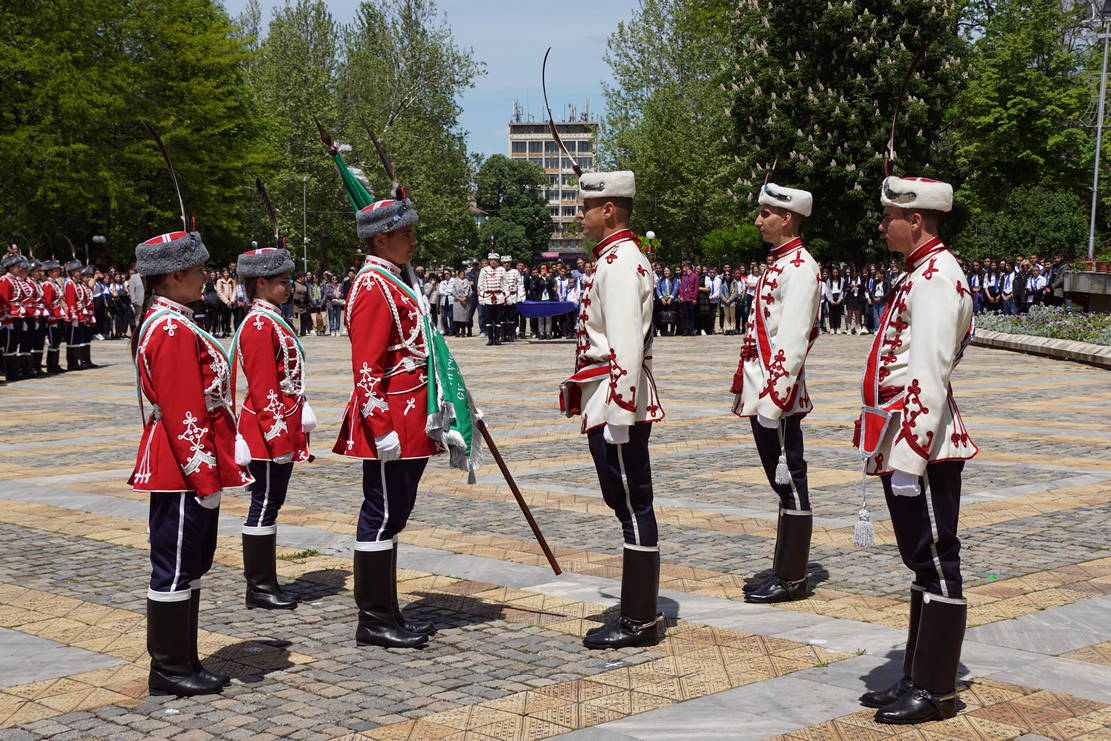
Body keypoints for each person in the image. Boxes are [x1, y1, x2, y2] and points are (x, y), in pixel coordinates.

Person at [857, 175, 977, 724]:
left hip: (920, 441)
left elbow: (929, 371)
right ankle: (917, 673)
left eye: (889, 218)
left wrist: (910, 454)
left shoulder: (934, 276)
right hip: (903, 433)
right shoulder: (919, 273)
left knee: (935, 556)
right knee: (920, 558)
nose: (883, 226)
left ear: (917, 221)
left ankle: (936, 689)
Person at [129, 228, 252, 696]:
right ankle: (169, 667)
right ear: (175, 275)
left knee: (191, 562)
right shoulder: (171, 328)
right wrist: (204, 478)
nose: (205, 277)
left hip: (194, 461)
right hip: (182, 465)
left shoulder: (176, 320)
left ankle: (185, 658)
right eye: (198, 270)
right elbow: (184, 411)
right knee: (175, 564)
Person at [560, 170, 666, 650]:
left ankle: (640, 619)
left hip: (615, 402)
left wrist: (621, 416)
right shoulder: (616, 258)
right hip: (607, 396)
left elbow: (624, 345)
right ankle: (637, 612)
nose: (578, 214)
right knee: (627, 504)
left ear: (609, 210)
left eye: (585, 206)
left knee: (632, 504)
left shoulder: (621, 263)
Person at [334, 193, 440, 650]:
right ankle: (374, 617)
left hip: (411, 415)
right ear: (381, 239)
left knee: (395, 513)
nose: (414, 242)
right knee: (380, 514)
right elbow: (367, 366)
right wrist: (381, 428)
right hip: (391, 419)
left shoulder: (394, 281)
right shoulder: (373, 286)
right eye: (405, 235)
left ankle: (386, 607)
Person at [730, 182, 820, 604]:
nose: (758, 221)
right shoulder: (780, 263)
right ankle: (784, 567)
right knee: (780, 482)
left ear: (786, 218)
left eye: (765, 214)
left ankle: (793, 576)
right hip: (763, 390)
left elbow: (795, 338)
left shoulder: (800, 267)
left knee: (791, 480)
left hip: (776, 395)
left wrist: (775, 398)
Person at [232, 247, 316, 611]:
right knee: (264, 503)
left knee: (272, 502)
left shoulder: (272, 318)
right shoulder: (259, 324)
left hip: (281, 420)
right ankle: (260, 585)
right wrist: (277, 435)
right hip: (267, 427)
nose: (290, 287)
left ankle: (265, 582)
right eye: (283, 282)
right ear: (261, 283)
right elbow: (264, 385)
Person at [478, 253, 505, 345]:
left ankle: (497, 339)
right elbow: (480, 285)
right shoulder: (484, 270)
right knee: (488, 319)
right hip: (488, 297)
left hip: (499, 297)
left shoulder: (502, 270)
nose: (493, 261)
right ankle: (490, 339)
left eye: (495, 260)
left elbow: (505, 284)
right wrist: (481, 297)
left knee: (498, 319)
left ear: (497, 261)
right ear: (489, 261)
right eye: (491, 260)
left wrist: (507, 297)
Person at [501, 255, 520, 342]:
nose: (506, 264)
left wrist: (520, 296)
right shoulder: (499, 271)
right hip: (502, 296)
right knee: (502, 317)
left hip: (512, 296)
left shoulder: (515, 272)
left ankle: (511, 335)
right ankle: (503, 335)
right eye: (505, 263)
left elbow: (520, 284)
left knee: (512, 317)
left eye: (508, 262)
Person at [451, 269, 471, 336]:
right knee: (457, 317)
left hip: (465, 301)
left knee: (464, 317)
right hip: (457, 301)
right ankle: (457, 331)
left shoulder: (467, 281)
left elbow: (470, 291)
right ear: (458, 275)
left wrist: (465, 297)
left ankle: (463, 331)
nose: (462, 276)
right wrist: (459, 298)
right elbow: (453, 292)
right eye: (461, 274)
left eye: (463, 274)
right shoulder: (455, 282)